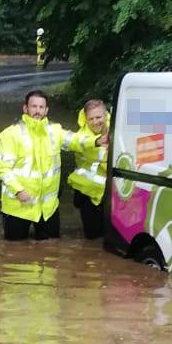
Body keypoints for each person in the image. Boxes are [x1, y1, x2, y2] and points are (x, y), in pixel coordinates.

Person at [0, 90, 104, 241]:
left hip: (47, 208)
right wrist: (18, 190)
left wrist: (96, 141)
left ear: (46, 110)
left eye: (41, 107)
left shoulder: (55, 131)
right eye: (34, 106)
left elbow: (75, 140)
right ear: (25, 108)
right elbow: (2, 168)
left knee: (51, 248)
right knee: (14, 250)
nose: (37, 111)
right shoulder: (10, 134)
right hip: (18, 207)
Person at [67, 98, 109, 239]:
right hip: (87, 193)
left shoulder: (116, 130)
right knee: (93, 238)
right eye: (91, 119)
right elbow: (78, 142)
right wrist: (98, 141)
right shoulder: (82, 136)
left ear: (106, 115)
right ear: (86, 119)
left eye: (98, 117)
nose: (95, 122)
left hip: (109, 193)